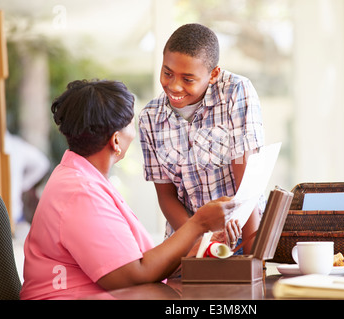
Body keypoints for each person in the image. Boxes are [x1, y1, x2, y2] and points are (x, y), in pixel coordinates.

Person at [20, 79, 236, 300]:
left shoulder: (82, 179)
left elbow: (134, 261)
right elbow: (132, 275)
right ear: (116, 140)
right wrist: (198, 223)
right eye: (132, 124)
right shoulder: (80, 192)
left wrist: (194, 248)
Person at [138, 23, 265, 254]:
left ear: (213, 74)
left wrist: (252, 257)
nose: (174, 85)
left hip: (243, 235)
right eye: (167, 73)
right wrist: (201, 244)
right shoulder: (150, 118)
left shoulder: (236, 92)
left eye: (188, 79)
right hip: (188, 243)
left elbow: (247, 182)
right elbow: (166, 197)